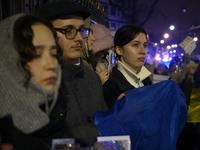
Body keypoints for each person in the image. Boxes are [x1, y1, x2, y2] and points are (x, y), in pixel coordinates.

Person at [36, 0, 108, 146]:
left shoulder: (92, 77)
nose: (79, 38)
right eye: (68, 30)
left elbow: (105, 123)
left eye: (81, 30)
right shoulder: (33, 82)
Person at [0, 14, 70, 150]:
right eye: (35, 55)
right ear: (7, 61)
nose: (51, 64)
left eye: (54, 54)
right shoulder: (7, 135)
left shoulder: (55, 108)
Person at [103, 25, 152, 109]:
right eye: (136, 45)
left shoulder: (146, 81)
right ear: (119, 50)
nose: (143, 51)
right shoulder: (111, 87)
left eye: (145, 45)